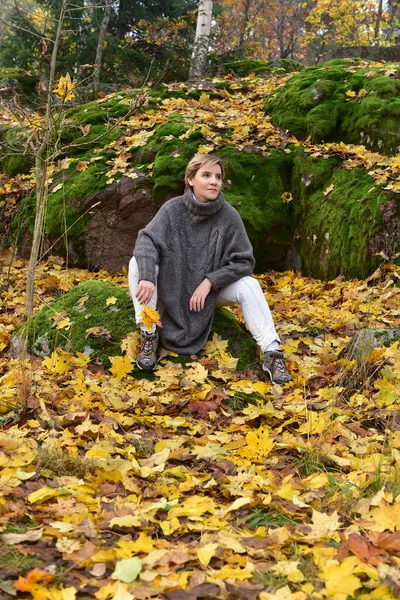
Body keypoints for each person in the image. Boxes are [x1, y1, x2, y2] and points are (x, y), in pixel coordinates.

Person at [128, 154, 291, 385]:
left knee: (250, 285)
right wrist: (147, 276)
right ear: (191, 180)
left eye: (218, 176)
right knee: (137, 264)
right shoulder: (172, 209)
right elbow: (147, 241)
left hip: (208, 294)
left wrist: (210, 281)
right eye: (206, 175)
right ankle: (148, 334)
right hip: (172, 285)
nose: (214, 181)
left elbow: (244, 261)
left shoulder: (229, 216)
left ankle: (272, 354)